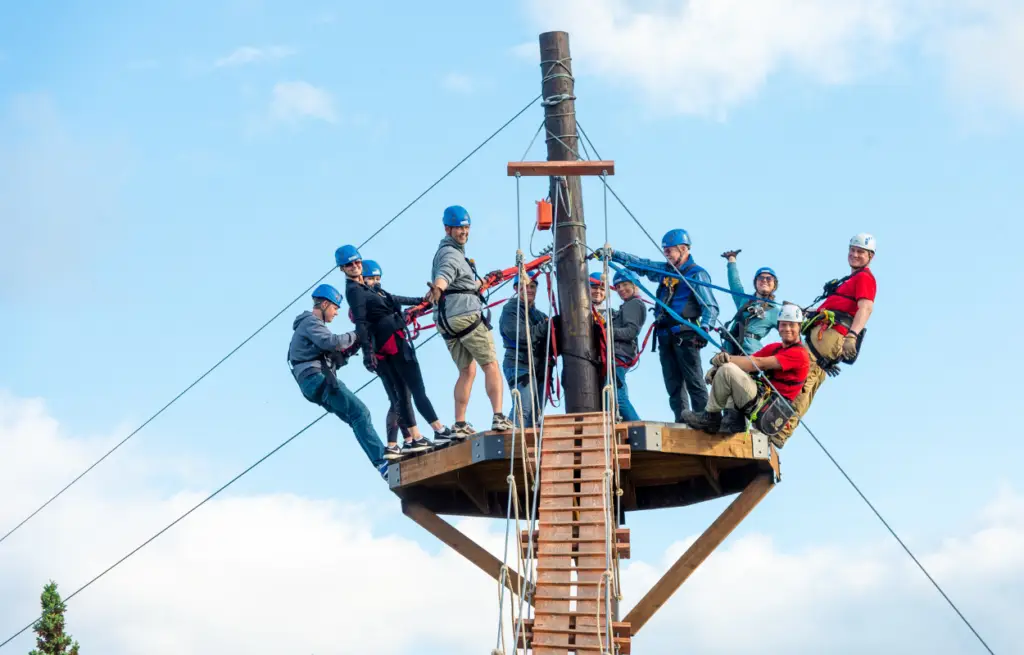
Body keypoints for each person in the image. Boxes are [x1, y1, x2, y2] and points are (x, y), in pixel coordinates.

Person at [337, 244, 455, 458]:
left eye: (357, 262)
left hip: (393, 343)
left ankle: (416, 437)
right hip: (394, 345)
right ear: (342, 269)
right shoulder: (355, 292)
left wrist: (422, 301)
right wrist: (367, 353)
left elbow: (394, 299)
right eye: (349, 265)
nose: (355, 267)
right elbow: (362, 324)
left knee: (402, 394)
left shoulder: (366, 288)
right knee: (413, 390)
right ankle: (437, 431)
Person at [603, 229, 719, 423]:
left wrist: (705, 329)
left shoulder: (696, 274)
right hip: (666, 336)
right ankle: (683, 420)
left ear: (683, 249)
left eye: (669, 251)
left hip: (686, 334)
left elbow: (711, 306)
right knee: (673, 384)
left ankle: (706, 419)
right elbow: (643, 265)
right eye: (665, 251)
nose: (666, 254)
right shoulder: (667, 271)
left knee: (694, 381)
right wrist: (615, 255)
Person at [773, 233, 878, 446]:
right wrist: (801, 311)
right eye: (853, 250)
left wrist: (852, 335)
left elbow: (865, 307)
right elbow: (833, 310)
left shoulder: (865, 278)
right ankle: (777, 427)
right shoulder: (849, 281)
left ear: (870, 257)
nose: (855, 255)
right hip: (822, 336)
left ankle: (779, 430)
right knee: (803, 378)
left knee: (801, 380)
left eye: (860, 252)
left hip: (832, 337)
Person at [426, 205, 515, 436]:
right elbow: (445, 275)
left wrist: (483, 282)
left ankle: (460, 423)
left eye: (466, 227)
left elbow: (458, 284)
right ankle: (499, 416)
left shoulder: (447, 252)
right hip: (465, 317)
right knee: (491, 365)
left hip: (447, 322)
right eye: (459, 228)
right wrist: (438, 288)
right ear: (448, 229)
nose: (464, 231)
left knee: (467, 371)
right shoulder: (451, 254)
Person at [287, 284, 390, 480]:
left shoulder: (310, 327)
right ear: (324, 304)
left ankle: (382, 463)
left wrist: (347, 351)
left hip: (313, 384)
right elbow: (333, 342)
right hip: (317, 380)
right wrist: (359, 333)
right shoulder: (310, 322)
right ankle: (383, 462)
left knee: (355, 418)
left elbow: (331, 352)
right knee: (360, 412)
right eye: (335, 308)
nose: (335, 313)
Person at [681, 303, 810, 435]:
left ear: (799, 327)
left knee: (727, 370)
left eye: (792, 325)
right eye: (783, 324)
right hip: (760, 400)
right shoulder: (775, 348)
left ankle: (711, 418)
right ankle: (733, 420)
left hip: (768, 409)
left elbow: (758, 363)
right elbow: (747, 361)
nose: (787, 329)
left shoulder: (799, 354)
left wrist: (724, 360)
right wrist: (716, 367)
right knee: (730, 370)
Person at [359, 258, 403, 447]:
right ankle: (396, 443)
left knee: (401, 398)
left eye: (377, 278)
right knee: (398, 399)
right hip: (382, 356)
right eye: (371, 278)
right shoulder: (364, 301)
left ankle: (401, 442)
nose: (375, 282)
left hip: (389, 351)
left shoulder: (381, 296)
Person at [499, 273, 550, 428]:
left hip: (538, 368)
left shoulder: (540, 315)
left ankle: (527, 449)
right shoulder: (511, 309)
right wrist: (546, 326)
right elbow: (521, 335)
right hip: (518, 364)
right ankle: (511, 444)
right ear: (516, 288)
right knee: (524, 408)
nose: (529, 289)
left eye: (532, 286)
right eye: (525, 286)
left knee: (536, 412)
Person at [719, 250, 780, 356]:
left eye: (769, 278)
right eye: (761, 278)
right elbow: (734, 282)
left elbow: (790, 331)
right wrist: (732, 260)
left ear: (774, 285)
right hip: (730, 348)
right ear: (755, 283)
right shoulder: (744, 300)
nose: (764, 280)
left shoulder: (775, 311)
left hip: (751, 353)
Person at [609, 270, 647, 421]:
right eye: (618, 286)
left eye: (625, 285)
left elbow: (631, 331)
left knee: (618, 397)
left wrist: (607, 332)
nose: (621, 289)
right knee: (614, 395)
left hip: (619, 356)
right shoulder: (627, 306)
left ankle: (637, 426)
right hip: (618, 355)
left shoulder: (634, 304)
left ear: (634, 285)